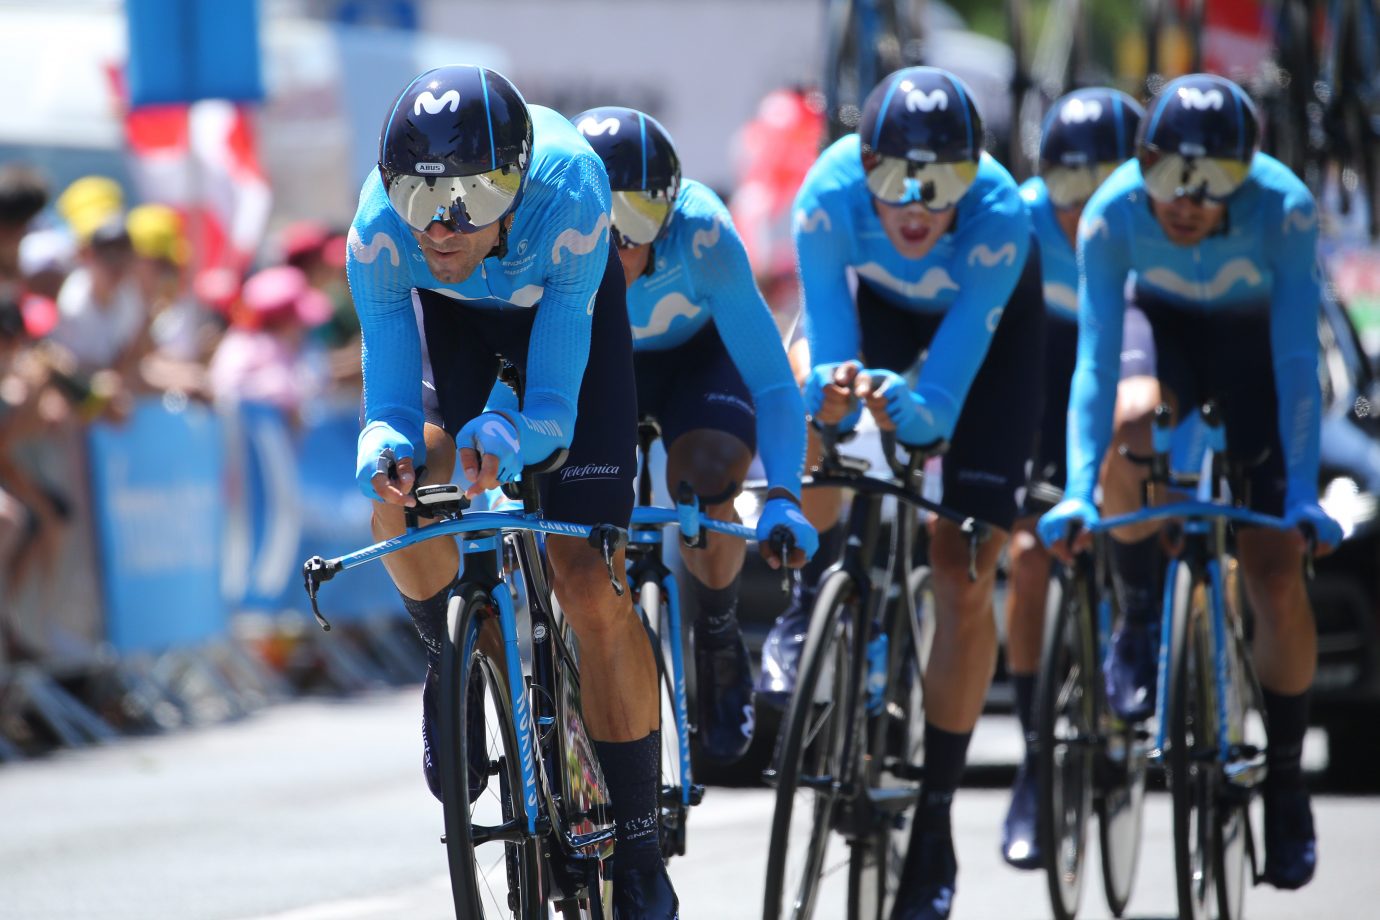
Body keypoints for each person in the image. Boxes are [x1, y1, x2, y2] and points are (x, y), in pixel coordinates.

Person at [346, 65, 676, 915]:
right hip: (458, 321)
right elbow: (390, 400)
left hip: (564, 315)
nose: (441, 225)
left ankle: (641, 851)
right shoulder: (381, 230)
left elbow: (556, 412)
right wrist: (384, 442)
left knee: (585, 581)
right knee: (402, 492)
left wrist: (511, 435)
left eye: (471, 198)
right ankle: (453, 655)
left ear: (517, 181)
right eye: (419, 196)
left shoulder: (571, 193)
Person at [1039, 73, 1343, 892]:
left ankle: (1286, 780)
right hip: (1160, 328)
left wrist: (1301, 494)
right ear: (1141, 160)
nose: (1186, 198)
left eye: (1213, 180)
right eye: (1168, 172)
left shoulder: (1284, 209)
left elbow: (1296, 364)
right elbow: (1095, 365)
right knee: (1134, 415)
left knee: (1275, 572)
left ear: (1247, 175)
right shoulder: (1111, 211)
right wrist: (1078, 489)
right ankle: (1140, 614)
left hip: (1252, 343)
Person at [780, 66, 1046, 919]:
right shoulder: (825, 197)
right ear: (863, 164)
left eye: (943, 178)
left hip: (988, 340)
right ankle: (806, 602)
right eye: (893, 175)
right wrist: (835, 397)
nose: (917, 203)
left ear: (976, 171)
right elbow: (830, 354)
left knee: (963, 568)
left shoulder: (1000, 214)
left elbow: (939, 409)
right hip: (878, 312)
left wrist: (917, 413)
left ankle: (934, 816)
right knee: (810, 420)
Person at [571, 106, 816, 764]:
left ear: (671, 212)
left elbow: (773, 385)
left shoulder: (703, 233)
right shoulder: (541, 236)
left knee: (707, 480)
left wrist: (784, 494)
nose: (616, 245)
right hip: (596, 367)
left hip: (697, 365)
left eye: (638, 221)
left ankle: (717, 628)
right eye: (598, 222)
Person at [999, 87, 1144, 870]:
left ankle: (1137, 617)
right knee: (1026, 560)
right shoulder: (1019, 218)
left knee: (1134, 449)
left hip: (1129, 367)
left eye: (1102, 183)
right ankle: (1034, 759)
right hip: (1045, 374)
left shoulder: (1151, 223)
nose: (1081, 205)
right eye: (1064, 182)